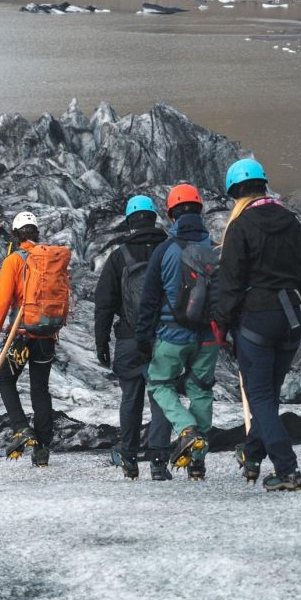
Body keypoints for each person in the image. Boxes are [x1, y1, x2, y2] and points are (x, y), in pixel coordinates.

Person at [214, 158, 301, 491]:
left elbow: (231, 283)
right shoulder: (293, 223)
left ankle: (288, 469)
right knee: (268, 397)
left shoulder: (240, 226)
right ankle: (251, 455)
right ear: (264, 185)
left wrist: (221, 324)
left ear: (235, 192)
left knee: (260, 397)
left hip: (256, 319)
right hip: (291, 319)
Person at [135, 184, 219, 480]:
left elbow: (148, 300)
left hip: (171, 334)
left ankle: (186, 430)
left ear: (171, 214)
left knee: (159, 384)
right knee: (200, 391)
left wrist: (143, 338)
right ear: (199, 210)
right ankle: (197, 462)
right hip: (208, 336)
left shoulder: (165, 250)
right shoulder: (215, 249)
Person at [94, 195, 174, 480]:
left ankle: (128, 457)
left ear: (130, 221)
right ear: (153, 218)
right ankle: (159, 461)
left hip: (128, 338)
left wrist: (101, 342)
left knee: (131, 397)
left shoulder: (119, 256)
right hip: (164, 337)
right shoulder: (170, 251)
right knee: (162, 397)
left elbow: (104, 303)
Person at [0, 211, 58, 467]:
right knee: (40, 389)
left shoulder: (14, 261)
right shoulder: (49, 259)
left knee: (5, 379)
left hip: (22, 334)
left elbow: (4, 302)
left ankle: (21, 429)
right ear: (36, 232)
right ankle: (43, 449)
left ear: (15, 235)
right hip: (47, 335)